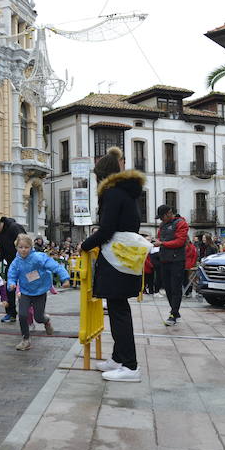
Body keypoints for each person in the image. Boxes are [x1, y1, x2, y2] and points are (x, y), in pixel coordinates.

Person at [80, 146, 146, 382]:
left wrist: (85, 245)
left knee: (119, 312)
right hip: (124, 255)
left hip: (116, 258)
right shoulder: (125, 192)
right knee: (119, 309)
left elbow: (107, 229)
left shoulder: (112, 193)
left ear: (102, 175)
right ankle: (118, 359)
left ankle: (130, 366)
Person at [7, 234, 70, 350]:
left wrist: (64, 278)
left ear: (31, 247)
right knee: (22, 315)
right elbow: (11, 275)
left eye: (26, 247)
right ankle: (26, 340)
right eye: (20, 247)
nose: (23, 250)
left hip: (40, 291)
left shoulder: (38, 257)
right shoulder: (16, 262)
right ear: (17, 248)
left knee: (39, 317)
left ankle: (46, 321)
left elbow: (55, 266)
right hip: (25, 291)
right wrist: (11, 283)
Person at [0, 215, 26, 323]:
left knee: (26, 288)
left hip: (23, 263)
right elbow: (2, 250)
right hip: (11, 264)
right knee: (9, 288)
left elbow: (25, 244)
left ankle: (28, 313)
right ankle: (11, 313)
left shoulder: (14, 228)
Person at [155, 204, 189, 326]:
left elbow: (180, 242)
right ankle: (175, 310)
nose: (161, 220)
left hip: (177, 261)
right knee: (167, 288)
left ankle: (173, 314)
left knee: (175, 288)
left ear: (168, 214)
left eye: (162, 217)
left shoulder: (181, 223)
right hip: (164, 260)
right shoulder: (162, 225)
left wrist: (162, 244)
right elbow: (160, 239)